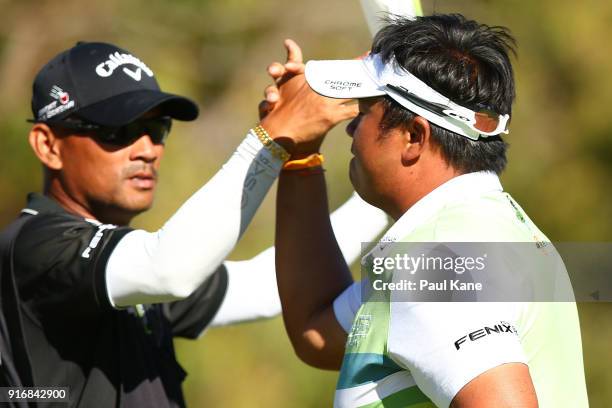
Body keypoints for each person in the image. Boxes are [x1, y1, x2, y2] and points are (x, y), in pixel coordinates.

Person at [0, 41, 390, 407]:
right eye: (118, 132)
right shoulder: (35, 246)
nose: (148, 150)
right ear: (48, 146)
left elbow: (264, 287)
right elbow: (168, 270)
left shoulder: (120, 265)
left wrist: (388, 190)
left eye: (157, 130)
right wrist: (274, 136)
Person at [269, 15, 589, 407]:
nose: (351, 129)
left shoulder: (439, 258)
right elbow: (316, 332)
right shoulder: (484, 228)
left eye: (364, 110)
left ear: (414, 137)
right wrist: (298, 156)